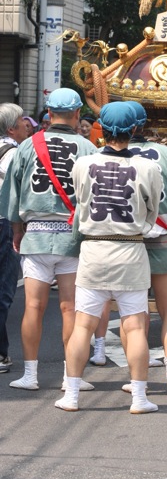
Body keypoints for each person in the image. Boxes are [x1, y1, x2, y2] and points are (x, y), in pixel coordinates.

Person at [91, 100, 167, 396]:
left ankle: (138, 379)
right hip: (162, 240)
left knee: (130, 313)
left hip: (120, 243)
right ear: (140, 125)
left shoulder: (98, 157)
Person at [55, 101, 163, 413]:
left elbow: (79, 202)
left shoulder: (82, 164)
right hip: (130, 249)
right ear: (134, 129)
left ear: (102, 129)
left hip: (93, 248)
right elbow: (153, 210)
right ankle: (140, 398)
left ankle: (72, 396)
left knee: (83, 325)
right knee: (135, 327)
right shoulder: (148, 167)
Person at [0, 88, 97, 391]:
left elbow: (12, 196)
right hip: (72, 234)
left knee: (33, 307)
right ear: (78, 113)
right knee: (70, 307)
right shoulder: (87, 147)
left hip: (36, 234)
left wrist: (17, 230)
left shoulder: (28, 146)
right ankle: (72, 376)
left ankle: (30, 374)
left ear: (48, 113)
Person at [0, 104, 28, 373]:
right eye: (21, 121)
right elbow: (21, 192)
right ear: (10, 128)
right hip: (4, 224)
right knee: (3, 289)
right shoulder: (14, 154)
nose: (25, 125)